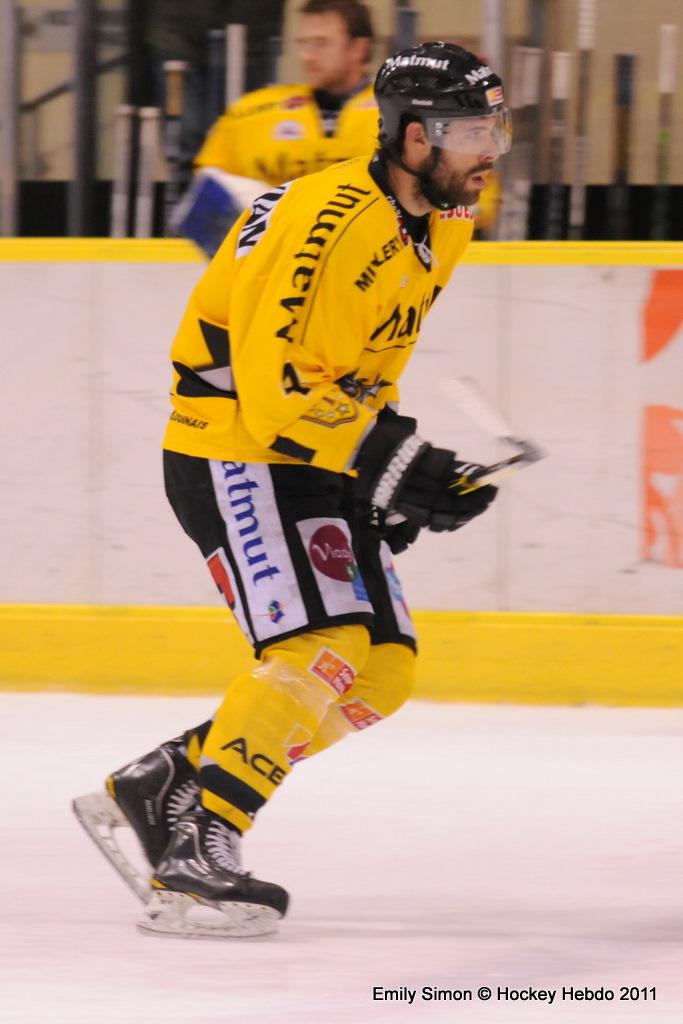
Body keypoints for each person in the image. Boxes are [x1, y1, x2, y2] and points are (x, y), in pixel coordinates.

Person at [74, 41, 512, 939]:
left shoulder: (444, 221)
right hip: (236, 446)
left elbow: (358, 358)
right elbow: (273, 393)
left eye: (496, 128)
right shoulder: (334, 220)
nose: (490, 150)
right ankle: (198, 849)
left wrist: (391, 472)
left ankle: (168, 783)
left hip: (311, 449)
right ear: (416, 136)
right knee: (320, 643)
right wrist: (393, 462)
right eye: (473, 131)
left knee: (380, 671)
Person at [173, 0, 378, 255]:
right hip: (275, 264)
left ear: (359, 48)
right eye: (304, 44)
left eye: (322, 43)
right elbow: (206, 197)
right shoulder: (253, 114)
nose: (307, 56)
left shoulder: (395, 114)